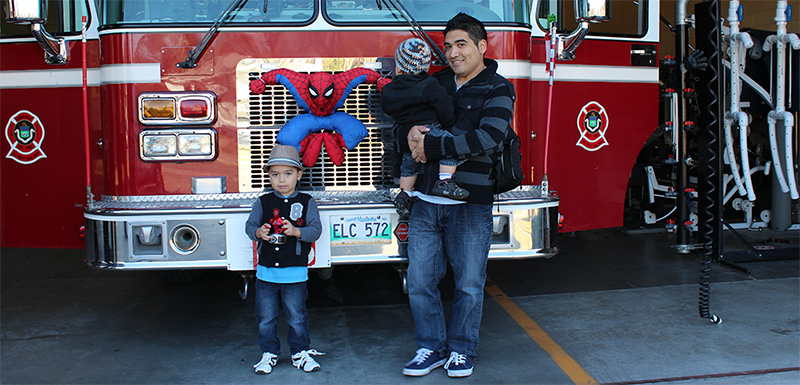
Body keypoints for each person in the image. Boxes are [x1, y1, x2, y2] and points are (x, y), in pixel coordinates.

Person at [399, 13, 515, 378]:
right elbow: (404, 122)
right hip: (425, 201)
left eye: (461, 44)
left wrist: (430, 144)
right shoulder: (435, 83)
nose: (452, 53)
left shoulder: (499, 87)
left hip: (470, 204)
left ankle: (462, 350)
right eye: (447, 46)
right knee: (419, 282)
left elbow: (489, 137)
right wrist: (409, 136)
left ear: (482, 46)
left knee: (468, 284)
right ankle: (430, 347)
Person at [245, 144, 324, 375]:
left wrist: (296, 231)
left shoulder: (308, 201)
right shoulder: (263, 201)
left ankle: (300, 352)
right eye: (275, 174)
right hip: (266, 273)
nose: (281, 180)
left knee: (297, 316)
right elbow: (250, 227)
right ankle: (269, 353)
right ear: (268, 176)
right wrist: (259, 232)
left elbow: (315, 230)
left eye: (288, 174)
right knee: (266, 318)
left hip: (295, 273)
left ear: (299, 175)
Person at [381, 37, 470, 218]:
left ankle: (405, 194)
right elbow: (445, 108)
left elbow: (387, 108)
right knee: (450, 148)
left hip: (407, 136)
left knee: (409, 166)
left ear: (398, 66)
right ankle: (445, 182)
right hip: (431, 130)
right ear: (425, 67)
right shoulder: (429, 85)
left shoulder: (389, 90)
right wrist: (448, 124)